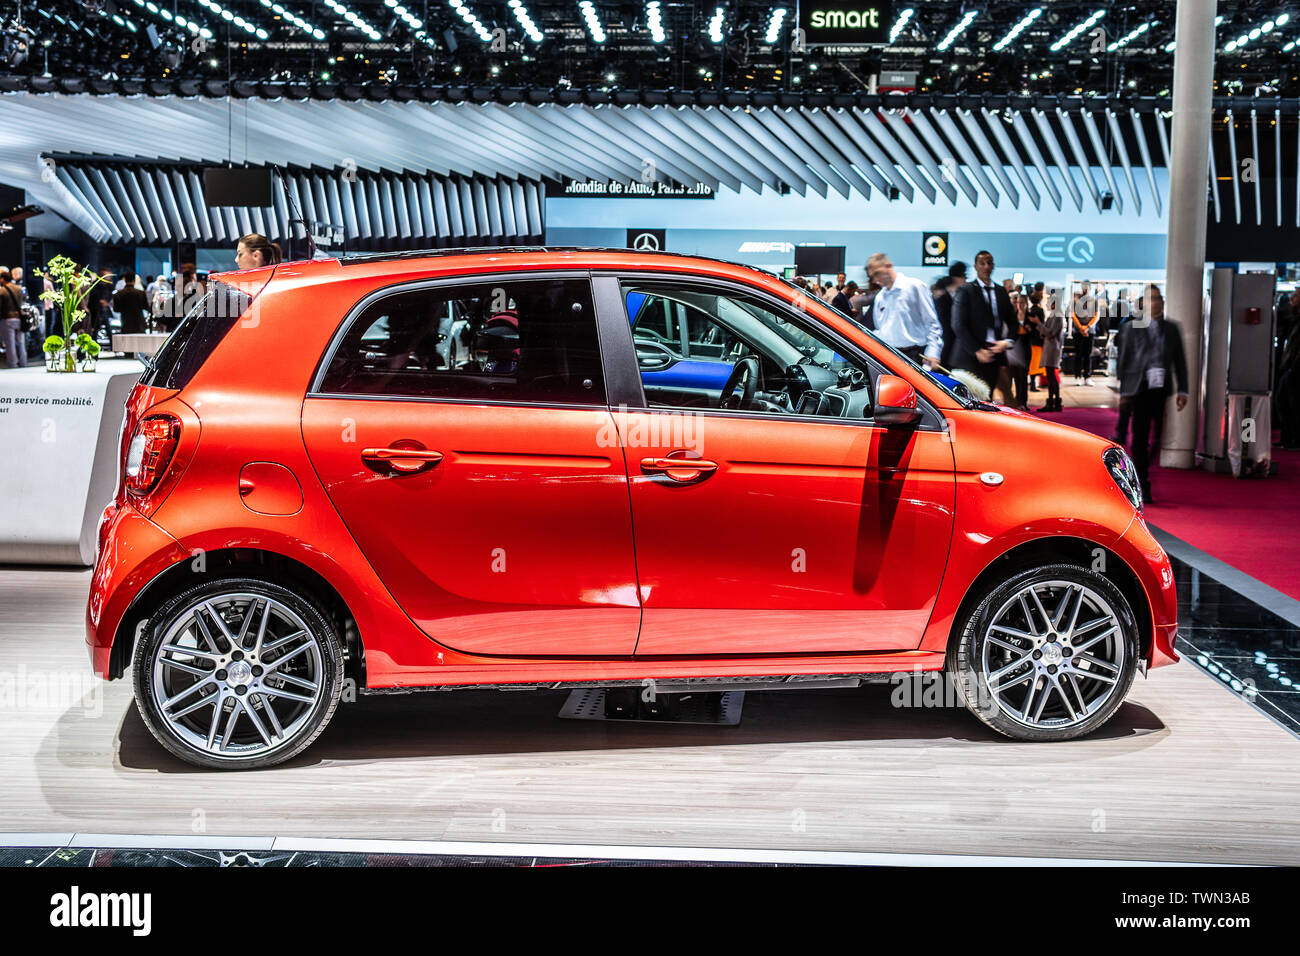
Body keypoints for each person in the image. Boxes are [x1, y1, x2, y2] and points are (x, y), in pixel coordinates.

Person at [1114, 284, 1188, 502]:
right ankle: (1142, 484)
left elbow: (1180, 361)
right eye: (1151, 299)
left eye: (1158, 298)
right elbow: (1124, 361)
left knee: (1158, 438)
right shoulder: (1131, 328)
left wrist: (1183, 388)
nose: (1155, 303)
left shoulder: (1173, 329)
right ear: (1143, 303)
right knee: (1140, 437)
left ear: (1162, 302)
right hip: (1139, 389)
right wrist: (1124, 392)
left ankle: (1144, 466)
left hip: (1162, 388)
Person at [950, 250, 1017, 400]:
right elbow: (958, 324)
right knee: (968, 400)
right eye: (982, 263)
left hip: (994, 354)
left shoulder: (1001, 292)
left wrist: (1006, 342)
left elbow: (1013, 322)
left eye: (990, 263)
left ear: (993, 266)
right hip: (969, 356)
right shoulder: (965, 290)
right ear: (976, 266)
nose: (986, 266)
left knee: (988, 399)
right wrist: (977, 351)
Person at [864, 252, 942, 366]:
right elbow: (881, 328)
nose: (875, 280)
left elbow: (932, 323)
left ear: (888, 265)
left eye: (877, 274)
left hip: (915, 356)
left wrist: (933, 352)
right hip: (890, 356)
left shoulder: (915, 287)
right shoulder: (880, 296)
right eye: (872, 276)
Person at [1035, 303, 1064, 412]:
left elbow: (1050, 333)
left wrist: (1038, 324)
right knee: (1050, 375)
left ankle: (1054, 402)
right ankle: (1053, 402)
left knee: (1051, 376)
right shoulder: (1054, 315)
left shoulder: (1057, 316)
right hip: (1050, 348)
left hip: (1052, 349)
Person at [1071, 281, 1099, 385]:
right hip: (1078, 331)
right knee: (1078, 354)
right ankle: (1077, 376)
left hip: (1089, 331)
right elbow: (1073, 315)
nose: (1085, 289)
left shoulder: (1094, 301)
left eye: (1087, 287)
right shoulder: (1076, 300)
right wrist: (1081, 327)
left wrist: (1087, 327)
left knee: (1088, 354)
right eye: (1083, 287)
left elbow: (1096, 315)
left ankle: (1087, 377)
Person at [0, 268, 25, 368]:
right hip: (19, 318)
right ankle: (23, 362)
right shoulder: (19, 289)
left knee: (10, 343)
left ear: (3, 279)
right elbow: (23, 301)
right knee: (20, 342)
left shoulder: (1, 291)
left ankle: (12, 364)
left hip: (7, 319)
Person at [113, 270, 149, 336]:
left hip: (126, 324)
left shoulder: (118, 294)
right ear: (134, 280)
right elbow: (146, 307)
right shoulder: (141, 293)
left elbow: (116, 310)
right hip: (139, 324)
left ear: (125, 280)